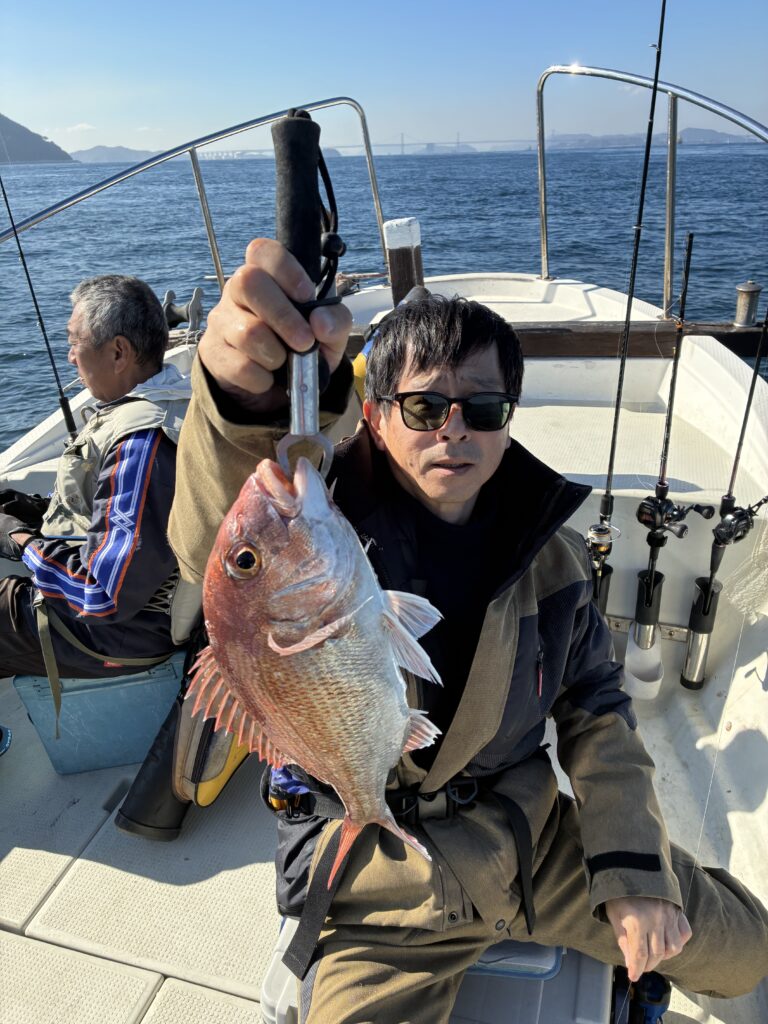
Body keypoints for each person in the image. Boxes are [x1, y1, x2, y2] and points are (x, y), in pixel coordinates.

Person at [167, 239, 768, 1022]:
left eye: (482, 410)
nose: (454, 431)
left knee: (745, 952)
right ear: (375, 416)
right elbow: (222, 545)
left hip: (530, 844)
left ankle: (647, 933)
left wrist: (633, 875)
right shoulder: (322, 520)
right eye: (424, 408)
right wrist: (237, 401)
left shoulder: (551, 557)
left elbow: (597, 710)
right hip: (379, 880)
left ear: (507, 422)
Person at [0, 274, 191, 684]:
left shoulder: (141, 441)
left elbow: (103, 595)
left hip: (116, 636)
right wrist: (39, 512)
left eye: (75, 342)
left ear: (119, 352)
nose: (71, 357)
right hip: (130, 620)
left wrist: (20, 540)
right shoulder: (169, 404)